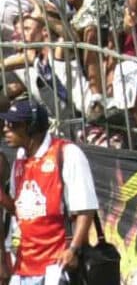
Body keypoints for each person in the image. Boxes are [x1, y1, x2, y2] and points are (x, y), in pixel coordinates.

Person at [1, 100, 99, 285]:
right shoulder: (19, 161)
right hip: (23, 267)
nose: (5, 129)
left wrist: (73, 249)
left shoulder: (67, 154)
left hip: (56, 268)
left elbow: (86, 209)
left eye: (13, 124)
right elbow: (19, 210)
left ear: (31, 127)